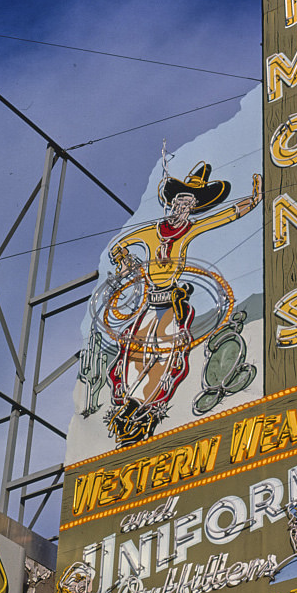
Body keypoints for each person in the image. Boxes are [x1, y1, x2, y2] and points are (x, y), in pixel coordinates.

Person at [102, 161, 262, 445]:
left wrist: (253, 200)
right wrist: (124, 263)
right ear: (172, 202)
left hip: (172, 301)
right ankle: (128, 403)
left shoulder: (190, 228)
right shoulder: (152, 230)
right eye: (179, 201)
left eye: (188, 203)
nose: (182, 207)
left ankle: (144, 406)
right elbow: (120, 244)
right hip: (150, 302)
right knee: (135, 352)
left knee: (165, 355)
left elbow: (223, 217)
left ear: (193, 207)